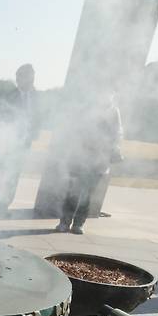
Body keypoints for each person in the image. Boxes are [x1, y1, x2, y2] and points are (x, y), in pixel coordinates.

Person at [55, 92, 123, 235]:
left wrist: (111, 146)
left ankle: (78, 223)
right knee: (73, 191)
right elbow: (74, 128)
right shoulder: (86, 108)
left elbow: (117, 134)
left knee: (87, 194)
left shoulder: (114, 112)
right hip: (80, 155)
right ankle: (64, 221)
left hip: (99, 159)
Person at [0, 63, 40, 216]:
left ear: (31, 78)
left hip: (23, 144)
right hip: (5, 142)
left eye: (23, 77)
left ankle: (3, 206)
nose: (19, 80)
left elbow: (40, 117)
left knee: (13, 175)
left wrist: (33, 133)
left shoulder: (38, 97)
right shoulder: (9, 95)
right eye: (18, 77)